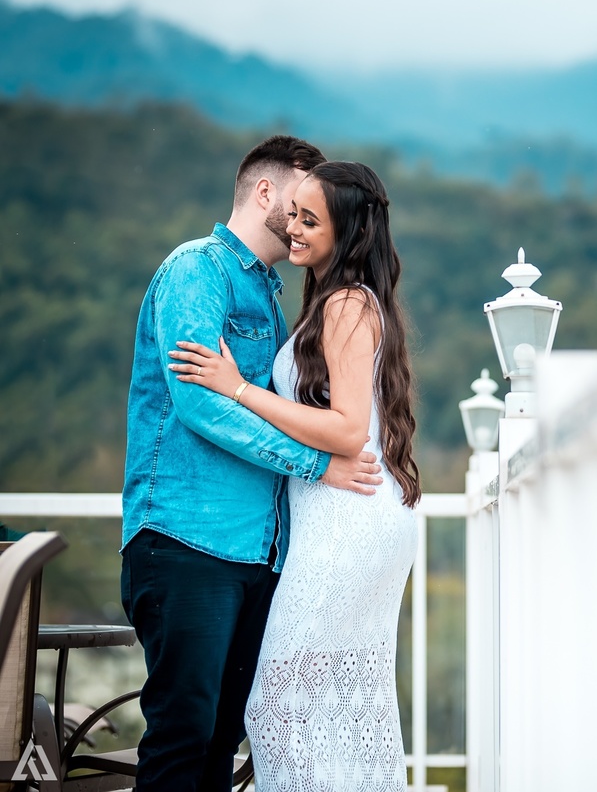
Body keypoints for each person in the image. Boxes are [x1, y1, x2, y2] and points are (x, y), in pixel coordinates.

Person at [121, 136, 384, 792]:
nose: (301, 221)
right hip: (187, 540)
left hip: (257, 554)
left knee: (221, 742)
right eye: (299, 203)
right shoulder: (196, 271)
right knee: (182, 736)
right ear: (265, 192)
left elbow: (268, 401)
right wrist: (315, 463)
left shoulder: (270, 296)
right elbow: (200, 405)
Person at [168, 160, 421, 790]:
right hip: (342, 512)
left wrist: (238, 388)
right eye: (293, 214)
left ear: (349, 234)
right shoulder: (338, 303)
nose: (293, 229)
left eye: (311, 220)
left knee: (284, 700)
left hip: (348, 513)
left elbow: (344, 429)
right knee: (319, 700)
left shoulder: (344, 304)